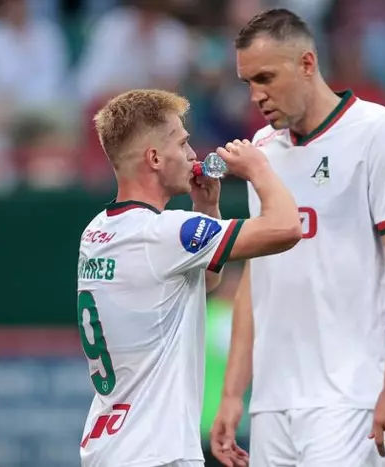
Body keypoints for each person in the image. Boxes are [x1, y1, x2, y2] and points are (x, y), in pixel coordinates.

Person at [210, 9, 385, 467]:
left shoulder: (380, 134)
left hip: (352, 394)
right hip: (274, 400)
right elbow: (256, 276)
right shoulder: (262, 152)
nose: (255, 95)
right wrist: (232, 393)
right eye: (248, 82)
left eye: (266, 78)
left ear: (307, 63)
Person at [77, 89, 302, 467]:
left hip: (111, 445)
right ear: (154, 158)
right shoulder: (164, 233)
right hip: (155, 452)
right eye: (182, 144)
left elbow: (199, 286)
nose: (193, 154)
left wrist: (206, 207)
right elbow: (287, 227)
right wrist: (258, 169)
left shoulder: (97, 231)